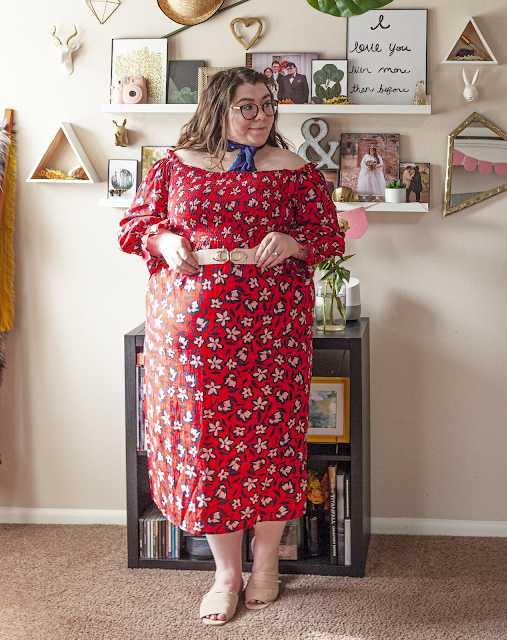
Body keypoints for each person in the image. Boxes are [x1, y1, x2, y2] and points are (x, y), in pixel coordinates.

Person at [118, 67, 344, 626]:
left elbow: (329, 236)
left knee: (268, 441)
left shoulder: (297, 172)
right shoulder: (174, 166)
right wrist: (166, 239)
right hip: (192, 332)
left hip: (271, 329)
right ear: (219, 108)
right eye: (248, 106)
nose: (262, 116)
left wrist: (293, 241)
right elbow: (135, 226)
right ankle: (227, 575)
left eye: (268, 105)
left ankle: (266, 564)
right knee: (208, 448)